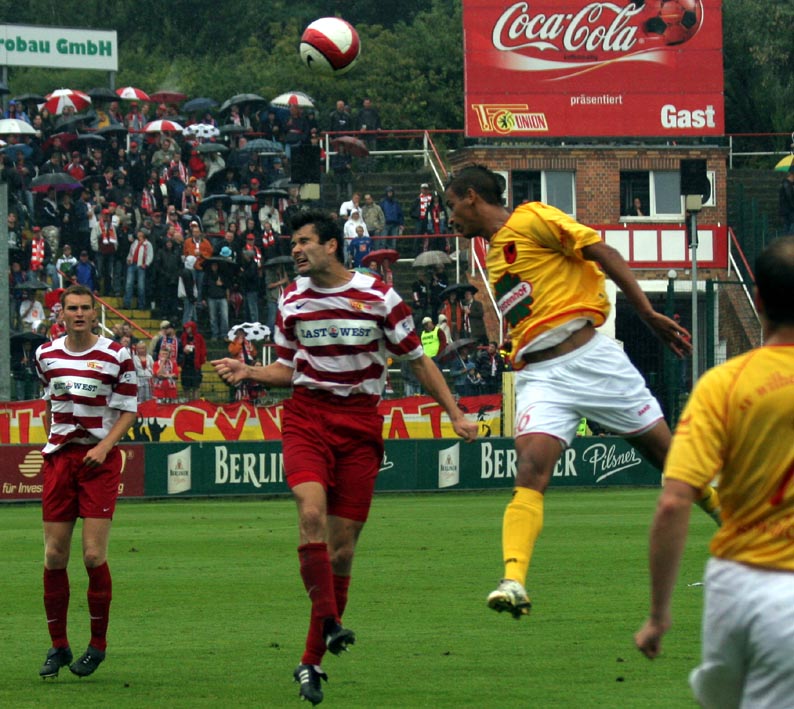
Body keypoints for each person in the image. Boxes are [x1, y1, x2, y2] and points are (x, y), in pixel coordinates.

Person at [211, 210, 478, 706]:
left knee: (342, 551)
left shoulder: (379, 296)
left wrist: (455, 413)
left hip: (359, 425)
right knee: (310, 513)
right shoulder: (291, 299)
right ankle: (331, 621)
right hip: (307, 417)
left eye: (304, 241)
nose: (295, 250)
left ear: (332, 245)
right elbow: (287, 369)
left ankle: (310, 661)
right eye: (293, 242)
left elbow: (417, 360)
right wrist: (249, 371)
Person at [443, 164, 721, 619]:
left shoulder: (532, 217)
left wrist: (646, 312)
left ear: (472, 196)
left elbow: (601, 250)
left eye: (452, 205)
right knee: (530, 469)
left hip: (593, 361)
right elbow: (531, 305)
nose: (450, 216)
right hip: (542, 376)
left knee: (670, 459)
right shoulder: (493, 256)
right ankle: (513, 580)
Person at [635, 235, 794, 708]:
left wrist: (658, 615)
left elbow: (674, 501)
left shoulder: (723, 384)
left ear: (758, 299)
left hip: (739, 586)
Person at [33, 284, 138, 678]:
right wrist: (53, 440)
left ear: (95, 314)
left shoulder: (116, 355)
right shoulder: (46, 354)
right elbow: (49, 402)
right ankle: (59, 646)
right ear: (61, 314)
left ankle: (98, 645)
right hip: (61, 460)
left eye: (85, 308)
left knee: (93, 555)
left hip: (99, 461)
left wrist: (105, 446)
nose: (79, 314)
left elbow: (129, 410)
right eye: (72, 308)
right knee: (54, 556)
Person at [778, 165, 794, 235]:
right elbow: (790, 198)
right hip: (788, 212)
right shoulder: (786, 184)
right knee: (789, 233)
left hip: (788, 212)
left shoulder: (789, 184)